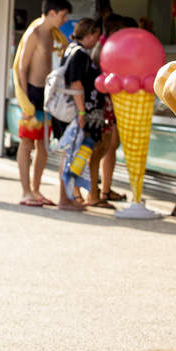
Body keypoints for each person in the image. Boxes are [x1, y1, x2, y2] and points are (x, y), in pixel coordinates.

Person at [14, 0, 72, 206]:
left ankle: (36, 190)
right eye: (63, 15)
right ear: (52, 13)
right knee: (27, 142)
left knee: (43, 145)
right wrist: (25, 100)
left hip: (48, 94)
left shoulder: (54, 34)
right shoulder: (35, 33)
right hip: (32, 93)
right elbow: (21, 66)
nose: (65, 20)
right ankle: (25, 191)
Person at [52, 19, 104, 211]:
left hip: (71, 111)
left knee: (73, 155)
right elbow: (76, 84)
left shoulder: (70, 49)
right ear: (90, 34)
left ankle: (72, 196)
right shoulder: (80, 53)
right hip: (75, 112)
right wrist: (82, 112)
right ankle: (65, 199)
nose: (97, 41)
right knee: (71, 155)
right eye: (97, 36)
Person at [98, 13, 127, 206]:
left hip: (107, 102)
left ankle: (104, 188)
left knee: (110, 146)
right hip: (106, 103)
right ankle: (102, 191)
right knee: (108, 146)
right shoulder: (107, 49)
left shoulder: (104, 47)